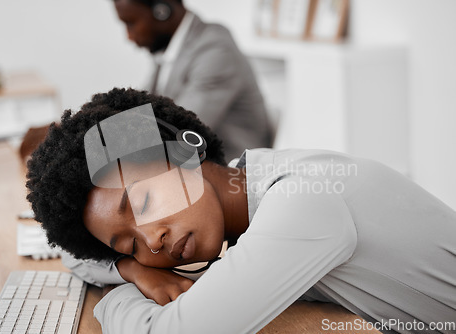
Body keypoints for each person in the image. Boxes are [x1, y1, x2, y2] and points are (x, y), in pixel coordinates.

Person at [26, 88, 456, 334]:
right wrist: (135, 270)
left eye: (143, 202)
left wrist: (114, 298)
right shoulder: (246, 184)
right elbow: (75, 255)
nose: (151, 239)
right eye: (129, 244)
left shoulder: (299, 203)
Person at [112, 0, 272, 161]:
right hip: (191, 165)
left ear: (162, 11)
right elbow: (139, 109)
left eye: (130, 23)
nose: (129, 36)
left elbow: (179, 130)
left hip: (230, 171)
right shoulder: (170, 49)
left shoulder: (215, 48)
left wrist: (105, 145)